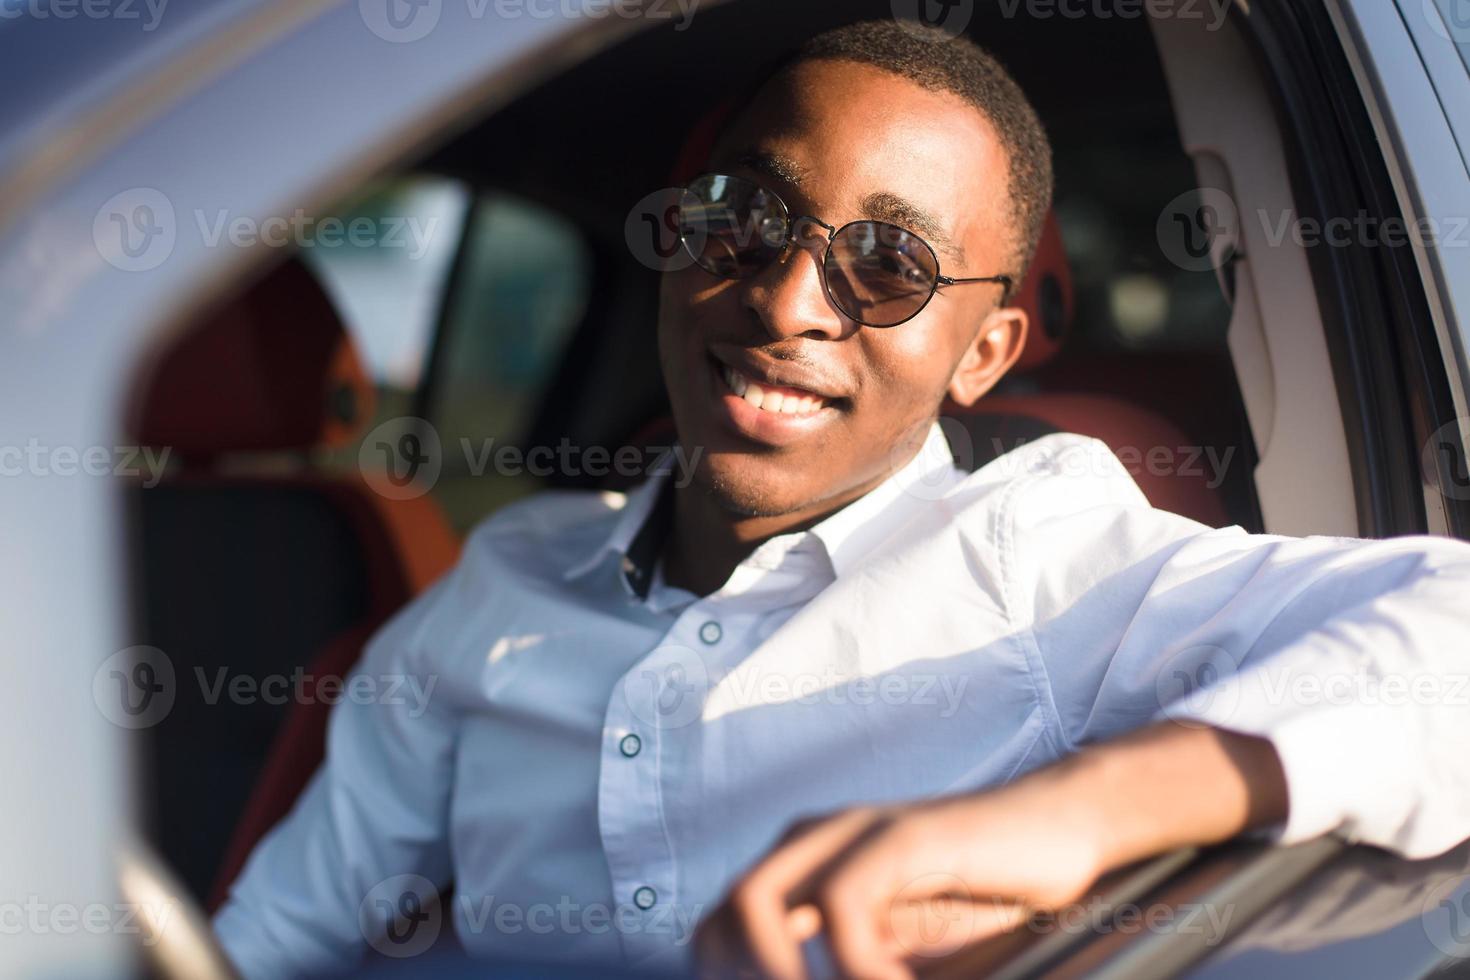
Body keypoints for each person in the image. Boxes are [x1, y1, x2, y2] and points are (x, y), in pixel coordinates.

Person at [212, 19, 1470, 980]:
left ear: (984, 353)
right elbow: (275, 940)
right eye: (744, 217)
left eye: (888, 264)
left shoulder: (1041, 558)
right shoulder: (505, 583)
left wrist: (1063, 823)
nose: (784, 300)